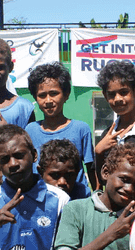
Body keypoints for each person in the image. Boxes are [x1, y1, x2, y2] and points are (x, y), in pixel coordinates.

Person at [26, 61, 96, 195]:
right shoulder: (31, 130)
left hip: (77, 200)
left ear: (66, 94)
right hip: (43, 202)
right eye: (42, 95)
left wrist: (97, 198)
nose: (48, 101)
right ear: (35, 97)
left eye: (54, 93)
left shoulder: (81, 129)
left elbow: (90, 168)